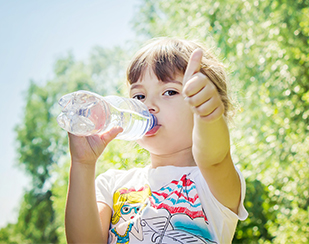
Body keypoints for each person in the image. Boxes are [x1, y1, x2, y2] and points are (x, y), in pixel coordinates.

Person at [65, 37, 248, 244]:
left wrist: (209, 116)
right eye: (139, 97)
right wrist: (82, 164)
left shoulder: (210, 183)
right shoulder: (112, 184)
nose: (148, 105)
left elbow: (214, 157)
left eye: (169, 92)